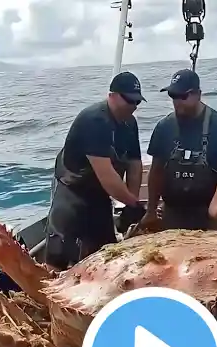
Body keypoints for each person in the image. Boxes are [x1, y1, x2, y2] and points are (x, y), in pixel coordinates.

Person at [45, 72, 147, 269]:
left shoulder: (130, 123)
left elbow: (134, 164)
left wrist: (131, 203)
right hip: (72, 186)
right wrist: (132, 202)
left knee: (106, 249)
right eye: (129, 100)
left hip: (99, 192)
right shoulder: (94, 120)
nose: (133, 107)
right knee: (60, 250)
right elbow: (107, 175)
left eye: (137, 102)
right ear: (112, 95)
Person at [140, 69, 217, 232]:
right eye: (173, 96)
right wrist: (151, 210)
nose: (177, 101)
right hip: (173, 214)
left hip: (211, 217)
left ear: (198, 94)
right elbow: (156, 172)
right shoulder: (163, 127)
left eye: (183, 96)